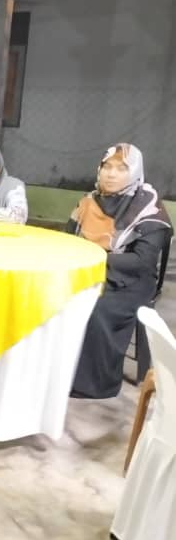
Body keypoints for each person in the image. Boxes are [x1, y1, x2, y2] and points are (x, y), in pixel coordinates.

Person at [68, 143, 171, 399]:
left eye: (122, 168)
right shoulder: (89, 202)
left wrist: (96, 257)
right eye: (107, 167)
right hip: (88, 272)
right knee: (49, 298)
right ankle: (56, 370)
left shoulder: (149, 208)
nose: (111, 174)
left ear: (135, 171)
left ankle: (93, 383)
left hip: (131, 282)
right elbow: (68, 239)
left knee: (95, 307)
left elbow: (142, 261)